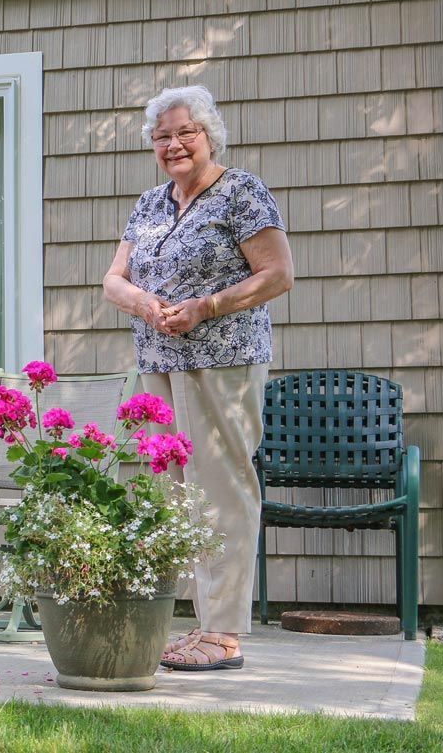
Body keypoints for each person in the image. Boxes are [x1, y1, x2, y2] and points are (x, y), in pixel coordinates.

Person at [102, 85, 294, 671]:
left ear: (210, 134)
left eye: (186, 131)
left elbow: (278, 273)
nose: (174, 144)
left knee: (222, 489)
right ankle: (194, 625)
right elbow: (113, 278)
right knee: (176, 495)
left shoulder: (240, 192)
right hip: (159, 363)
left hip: (223, 360)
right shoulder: (151, 203)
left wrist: (204, 306)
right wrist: (141, 303)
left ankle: (224, 632)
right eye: (162, 136)